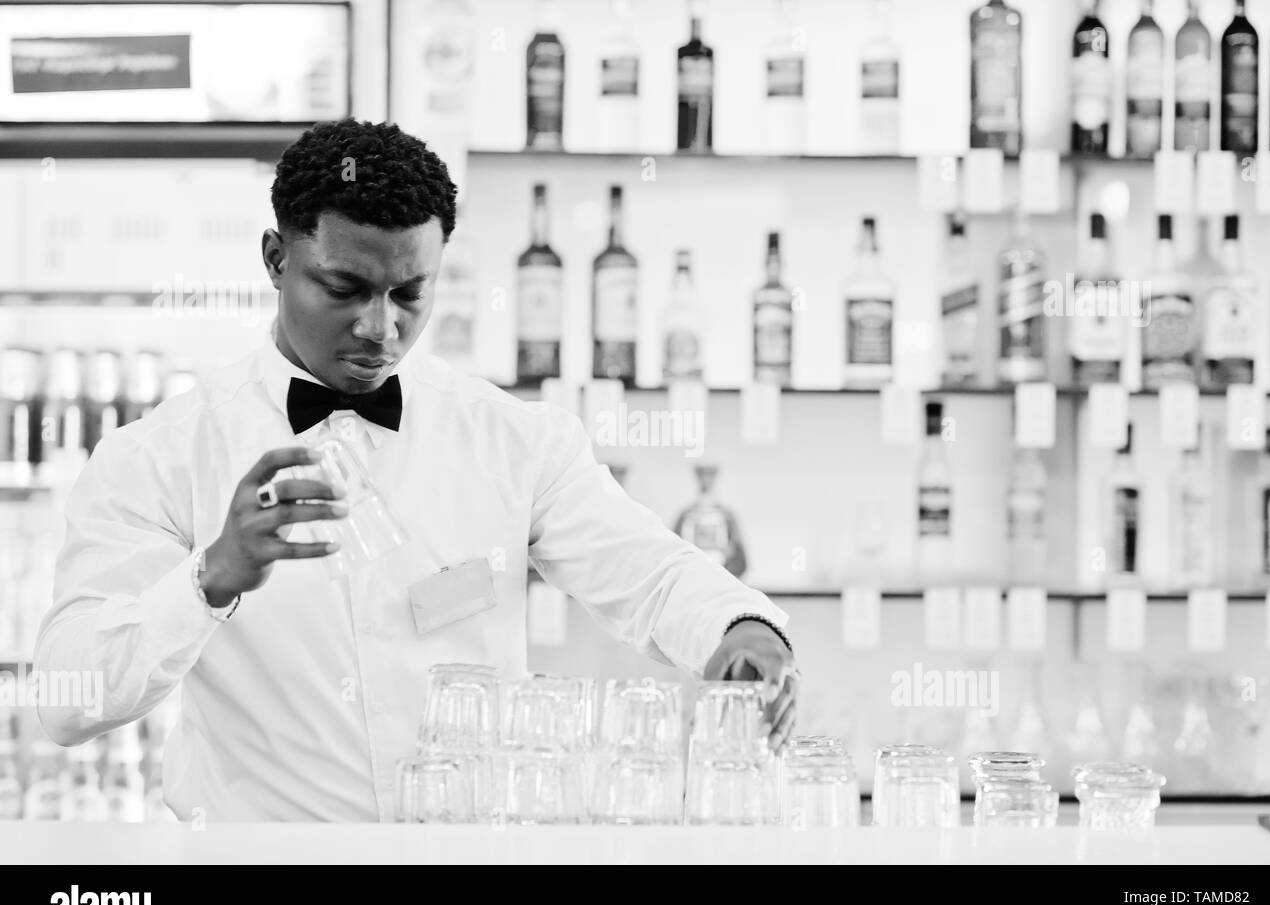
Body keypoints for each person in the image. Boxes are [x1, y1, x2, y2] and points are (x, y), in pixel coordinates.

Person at [35, 119, 797, 822]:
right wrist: (210, 578)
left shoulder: (512, 440)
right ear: (275, 259)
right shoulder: (160, 455)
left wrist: (747, 629)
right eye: (345, 289)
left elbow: (653, 574)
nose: (380, 328)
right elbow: (66, 701)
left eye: (409, 294)